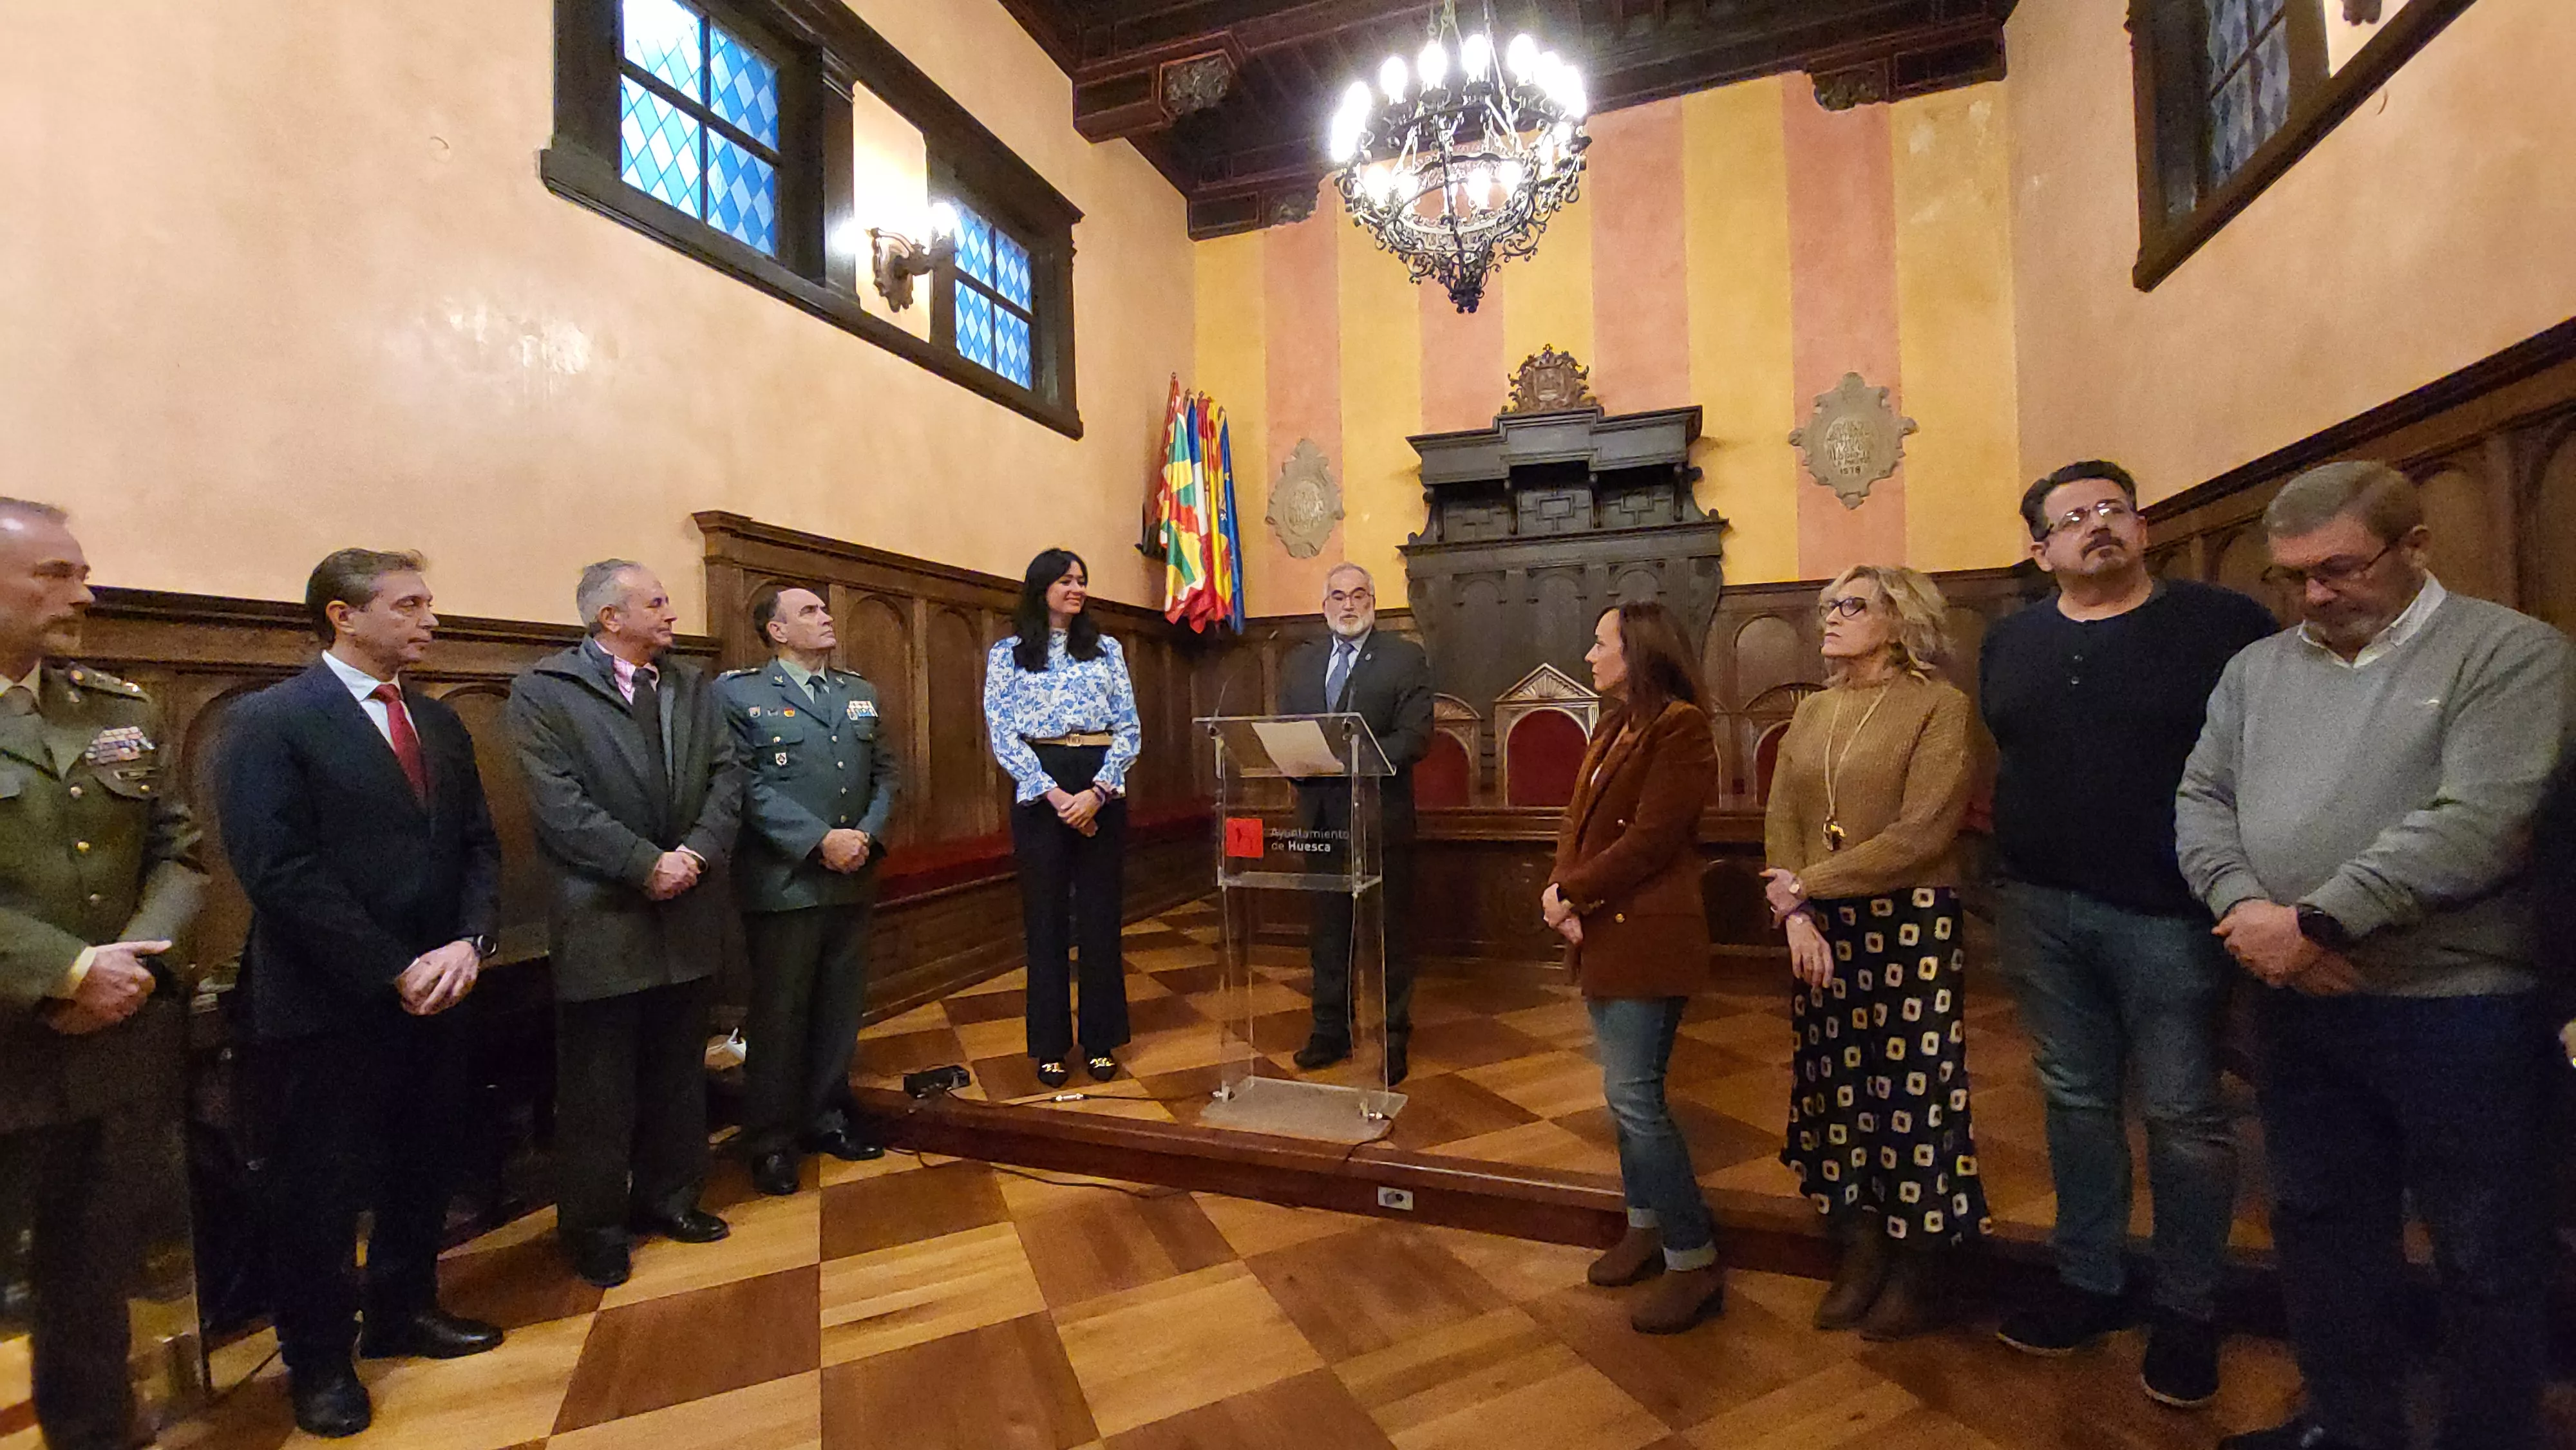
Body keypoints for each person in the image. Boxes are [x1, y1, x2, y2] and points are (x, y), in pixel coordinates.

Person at [2178, 461, 2574, 1450]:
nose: (2314, 595)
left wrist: (2314, 923)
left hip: (2460, 1006)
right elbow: (2202, 802)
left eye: (2340, 569)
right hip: (2298, 1000)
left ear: (2416, 547)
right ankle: (2351, 1427)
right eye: (2292, 577)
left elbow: (2482, 822)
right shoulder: (2255, 673)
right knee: (2322, 1228)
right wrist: (2251, 915)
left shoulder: (2509, 653)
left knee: (2485, 1244)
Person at [1976, 462, 2278, 1406]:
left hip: (2170, 911)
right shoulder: (2012, 639)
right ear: (2042, 550)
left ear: (2143, 528)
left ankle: (2188, 1307)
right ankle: (2089, 1280)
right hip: (2041, 907)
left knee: (2184, 1114)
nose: (2097, 525)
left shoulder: (2221, 626)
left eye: (2112, 509)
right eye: (2073, 518)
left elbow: (2262, 759)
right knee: (2075, 1102)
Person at [217, 549, 506, 1436]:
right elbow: (278, 868)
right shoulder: (272, 719)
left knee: (424, 1160)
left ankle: (403, 1309)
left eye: (429, 603)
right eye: (409, 604)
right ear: (343, 615)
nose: (430, 620)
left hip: (441, 986)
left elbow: (478, 845)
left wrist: (468, 941)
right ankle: (318, 1361)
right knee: (320, 1189)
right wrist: (392, 964)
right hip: (328, 999)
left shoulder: (438, 721)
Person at [0, 500, 206, 1450]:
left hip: (109, 1045)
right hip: (12, 1041)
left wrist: (128, 969)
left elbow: (179, 855)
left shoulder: (114, 706)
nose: (84, 594)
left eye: (81, 573)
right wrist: (69, 969)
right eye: (56, 574)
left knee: (89, 1281)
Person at [1762, 564, 1991, 1342]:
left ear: (1899, 621)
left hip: (1907, 921)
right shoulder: (1812, 708)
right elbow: (1782, 815)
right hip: (1819, 925)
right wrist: (1795, 911)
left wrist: (1808, 883)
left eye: (1852, 605)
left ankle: (1918, 1260)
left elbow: (1924, 831)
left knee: (1911, 1093)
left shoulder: (1939, 705)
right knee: (1835, 1088)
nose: (1830, 616)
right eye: (1829, 605)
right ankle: (1859, 1245)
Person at [507, 560, 744, 1289]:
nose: (672, 614)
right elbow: (559, 804)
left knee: (677, 1070)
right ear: (610, 617)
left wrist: (694, 854)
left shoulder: (690, 685)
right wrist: (645, 864)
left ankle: (671, 1197)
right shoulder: (546, 690)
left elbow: (727, 778)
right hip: (604, 914)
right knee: (598, 1087)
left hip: (688, 906)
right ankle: (596, 1227)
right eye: (658, 602)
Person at [1542, 601, 1725, 1335]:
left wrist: (1573, 892)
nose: (1590, 656)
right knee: (1623, 1098)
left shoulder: (1681, 727)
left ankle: (1693, 1258)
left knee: (1635, 1096)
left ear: (1639, 651)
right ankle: (1645, 1226)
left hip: (1648, 933)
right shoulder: (1616, 724)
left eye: (1601, 644)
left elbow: (1652, 840)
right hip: (1603, 929)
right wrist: (1562, 891)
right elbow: (1577, 824)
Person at [717, 583, 897, 1197]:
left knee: (839, 1009)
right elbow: (743, 785)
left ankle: (825, 1116)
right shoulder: (739, 695)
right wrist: (819, 840)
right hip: (786, 880)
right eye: (810, 612)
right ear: (776, 631)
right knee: (781, 1014)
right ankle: (769, 1140)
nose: (826, 617)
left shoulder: (857, 692)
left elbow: (886, 773)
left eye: (824, 609)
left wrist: (866, 836)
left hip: (853, 875)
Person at [983, 549, 1140, 1089]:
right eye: (1066, 580)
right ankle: (1050, 1046)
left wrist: (1098, 790)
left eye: (1082, 580)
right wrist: (1052, 793)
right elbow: (1002, 731)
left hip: (1100, 780)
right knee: (1045, 921)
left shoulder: (1107, 649)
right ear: (1041, 588)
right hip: (1040, 787)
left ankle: (1101, 1040)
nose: (1077, 588)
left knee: (1101, 919)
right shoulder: (1008, 654)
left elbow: (1129, 728)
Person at [1278, 563, 1433, 1084]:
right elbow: (1288, 730)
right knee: (1327, 932)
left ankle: (1391, 1037)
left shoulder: (1404, 658)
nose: (1349, 605)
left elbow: (1415, 737)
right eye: (1339, 596)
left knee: (1387, 931)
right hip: (1319, 819)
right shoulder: (1301, 663)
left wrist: (1348, 761)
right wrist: (1293, 758)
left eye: (1359, 595)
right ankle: (1330, 1030)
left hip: (1380, 815)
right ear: (1325, 605)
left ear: (1373, 602)